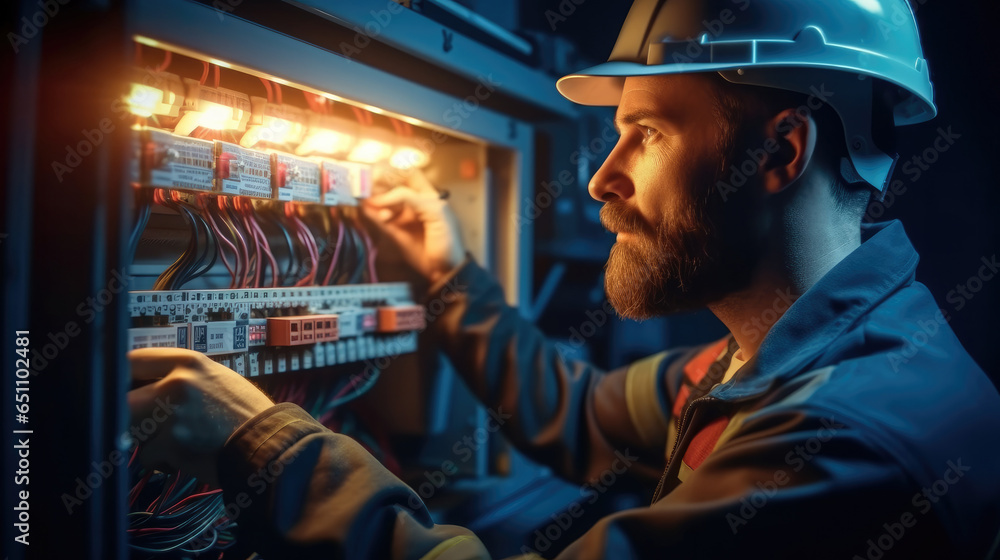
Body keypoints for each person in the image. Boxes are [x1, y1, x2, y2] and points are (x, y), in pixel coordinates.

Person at [127, 0, 1000, 558]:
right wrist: (445, 272)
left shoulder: (846, 442)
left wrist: (267, 450)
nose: (600, 178)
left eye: (647, 134)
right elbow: (577, 413)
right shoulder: (780, 355)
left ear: (780, 151)